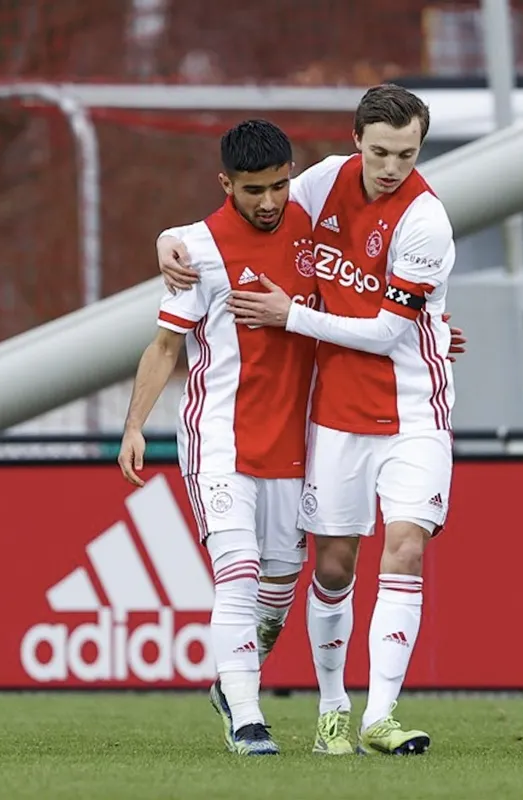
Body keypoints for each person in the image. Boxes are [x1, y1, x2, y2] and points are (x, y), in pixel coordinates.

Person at [158, 84, 454, 756]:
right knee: (331, 569)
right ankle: (330, 712)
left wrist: (290, 316)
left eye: (406, 154)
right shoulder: (321, 183)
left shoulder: (426, 221)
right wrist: (167, 239)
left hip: (413, 413)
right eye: (380, 151)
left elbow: (384, 333)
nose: (391, 167)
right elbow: (238, 215)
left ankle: (378, 717)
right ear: (355, 142)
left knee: (404, 546)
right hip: (334, 418)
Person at [118, 119, 318, 756]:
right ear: (225, 183)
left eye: (278, 187)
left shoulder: (315, 223)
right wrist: (133, 427)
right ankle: (247, 714)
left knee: (282, 583)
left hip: (296, 443)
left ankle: (232, 681)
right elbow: (164, 346)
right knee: (238, 572)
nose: (268, 202)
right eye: (253, 189)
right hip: (219, 441)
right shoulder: (199, 249)